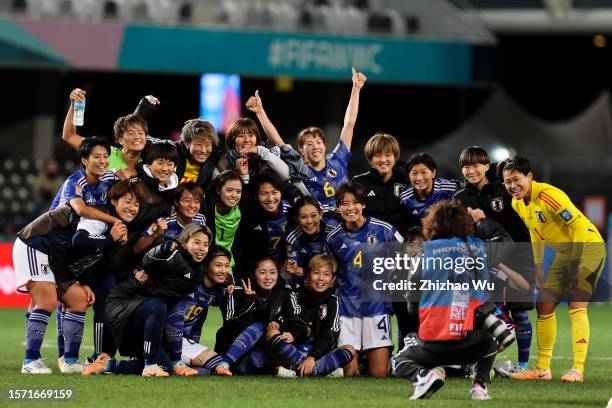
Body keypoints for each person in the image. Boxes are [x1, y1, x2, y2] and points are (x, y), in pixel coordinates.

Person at [391, 200, 514, 400]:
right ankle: (479, 387)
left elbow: (411, 302)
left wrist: (426, 324)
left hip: (434, 343)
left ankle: (424, 376)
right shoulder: (479, 248)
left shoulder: (423, 253)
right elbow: (507, 242)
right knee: (490, 339)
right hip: (475, 343)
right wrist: (483, 221)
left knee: (400, 361)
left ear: (431, 225)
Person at [500, 156, 606, 383]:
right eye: (507, 181)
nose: (512, 185)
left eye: (516, 179)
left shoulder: (549, 195)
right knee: (544, 304)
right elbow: (534, 233)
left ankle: (577, 369)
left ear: (529, 176)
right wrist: (538, 265)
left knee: (577, 303)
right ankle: (542, 369)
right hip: (565, 253)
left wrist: (577, 264)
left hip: (588, 247)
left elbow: (577, 226)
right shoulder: (516, 203)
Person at [454, 146, 535, 375]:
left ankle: (523, 366)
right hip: (484, 263)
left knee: (520, 312)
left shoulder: (504, 191)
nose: (471, 170)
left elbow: (521, 224)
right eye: (466, 166)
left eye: (476, 165)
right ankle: (480, 361)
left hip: (517, 257)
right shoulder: (460, 198)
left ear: (487, 166)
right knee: (487, 312)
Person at [99, 224, 212, 377]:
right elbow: (148, 260)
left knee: (166, 368)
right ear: (185, 243)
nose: (201, 248)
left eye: (205, 244)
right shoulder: (175, 255)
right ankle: (149, 365)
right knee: (159, 306)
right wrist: (163, 248)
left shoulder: (197, 266)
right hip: (125, 303)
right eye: (196, 242)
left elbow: (216, 268)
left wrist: (228, 282)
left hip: (147, 315)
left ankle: (106, 365)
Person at [326, 183, 404, 378]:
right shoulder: (333, 238)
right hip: (347, 307)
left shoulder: (383, 230)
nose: (350, 208)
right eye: (344, 203)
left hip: (376, 306)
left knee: (379, 373)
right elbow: (330, 269)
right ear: (338, 207)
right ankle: (358, 355)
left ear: (363, 205)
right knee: (349, 372)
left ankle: (389, 359)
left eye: (355, 203)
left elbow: (407, 256)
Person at [290, 68, 366, 209]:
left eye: (319, 142)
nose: (316, 146)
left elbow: (349, 123)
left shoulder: (339, 159)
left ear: (325, 145)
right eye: (309, 144)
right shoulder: (301, 174)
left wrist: (356, 89)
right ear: (301, 150)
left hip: (346, 222)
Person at [215, 257, 306, 375]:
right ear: (254, 274)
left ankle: (292, 369)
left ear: (278, 275)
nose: (268, 277)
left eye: (272, 272)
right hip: (234, 349)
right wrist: (248, 301)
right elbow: (229, 328)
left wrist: (292, 332)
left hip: (263, 349)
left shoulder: (286, 292)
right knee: (260, 326)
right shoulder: (236, 290)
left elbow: (299, 322)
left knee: (254, 362)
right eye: (262, 273)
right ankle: (224, 364)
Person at [269, 253, 356, 378]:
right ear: (308, 275)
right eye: (316, 273)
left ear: (332, 280)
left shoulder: (333, 301)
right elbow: (289, 319)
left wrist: (312, 356)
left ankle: (297, 373)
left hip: (318, 355)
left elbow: (330, 335)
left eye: (326, 274)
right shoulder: (297, 295)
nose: (320, 278)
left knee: (350, 350)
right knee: (271, 333)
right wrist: (278, 324)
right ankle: (317, 372)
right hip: (295, 351)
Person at [61, 88, 150, 177]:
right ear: (120, 140)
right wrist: (74, 105)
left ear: (146, 138)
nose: (137, 136)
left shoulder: (152, 162)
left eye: (141, 133)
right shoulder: (106, 154)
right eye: (131, 133)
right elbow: (69, 135)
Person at [170, 246, 231, 373]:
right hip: (170, 337)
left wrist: (229, 284)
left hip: (187, 342)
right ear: (206, 266)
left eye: (226, 266)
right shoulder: (189, 283)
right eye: (218, 265)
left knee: (206, 372)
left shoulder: (218, 292)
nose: (223, 270)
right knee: (218, 364)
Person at [352, 132, 413, 237]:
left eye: (388, 155)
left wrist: (415, 234)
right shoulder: (359, 183)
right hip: (371, 244)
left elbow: (417, 213)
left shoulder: (407, 181)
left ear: (395, 157)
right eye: (378, 155)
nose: (383, 160)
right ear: (370, 159)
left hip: (405, 243)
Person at [50, 137, 119, 226]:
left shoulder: (110, 177)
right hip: (58, 229)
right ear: (85, 160)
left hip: (80, 228)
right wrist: (115, 220)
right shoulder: (74, 182)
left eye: (105, 157)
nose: (102, 161)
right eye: (97, 157)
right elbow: (82, 210)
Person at [284, 196, 339, 285]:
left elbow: (346, 265)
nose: (309, 221)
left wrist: (333, 282)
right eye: (303, 217)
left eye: (313, 216)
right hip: (308, 283)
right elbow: (295, 270)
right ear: (296, 219)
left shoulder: (334, 233)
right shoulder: (292, 238)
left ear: (320, 215)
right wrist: (305, 279)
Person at [202, 170, 243, 273]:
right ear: (218, 190)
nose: (234, 195)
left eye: (238, 191)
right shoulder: (206, 211)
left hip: (230, 263)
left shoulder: (241, 212)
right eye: (229, 190)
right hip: (206, 261)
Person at [400, 153, 462, 219]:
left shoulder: (449, 189)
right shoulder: (405, 199)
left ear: (433, 173)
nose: (419, 178)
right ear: (408, 176)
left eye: (424, 172)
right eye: (414, 173)